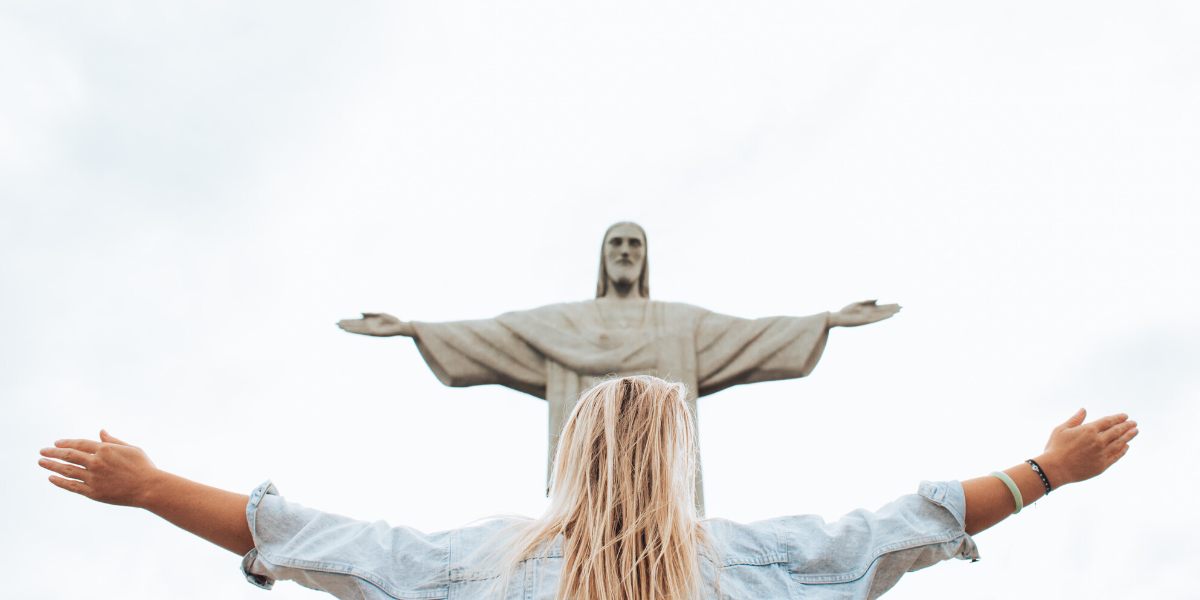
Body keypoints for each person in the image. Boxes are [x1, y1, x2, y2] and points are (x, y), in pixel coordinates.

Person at [38, 376, 1137, 600]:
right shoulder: (758, 564)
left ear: (574, 455)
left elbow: (305, 537)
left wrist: (151, 487)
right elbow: (905, 525)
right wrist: (1047, 470)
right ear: (681, 458)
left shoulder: (481, 566)